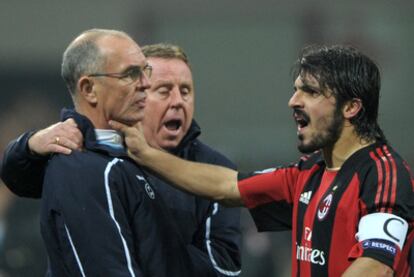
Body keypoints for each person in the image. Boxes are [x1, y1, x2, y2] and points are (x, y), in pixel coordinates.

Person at [109, 45, 414, 276]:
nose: (293, 101)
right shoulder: (307, 173)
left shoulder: (384, 173)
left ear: (350, 107)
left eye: (310, 92)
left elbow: (377, 265)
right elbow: (226, 185)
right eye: (296, 90)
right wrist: (146, 155)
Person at [1, 43, 241, 276]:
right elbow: (18, 178)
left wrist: (146, 248)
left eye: (186, 90)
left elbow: (225, 268)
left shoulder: (214, 169)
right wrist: (30, 144)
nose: (178, 101)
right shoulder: (91, 152)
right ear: (139, 96)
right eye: (164, 90)